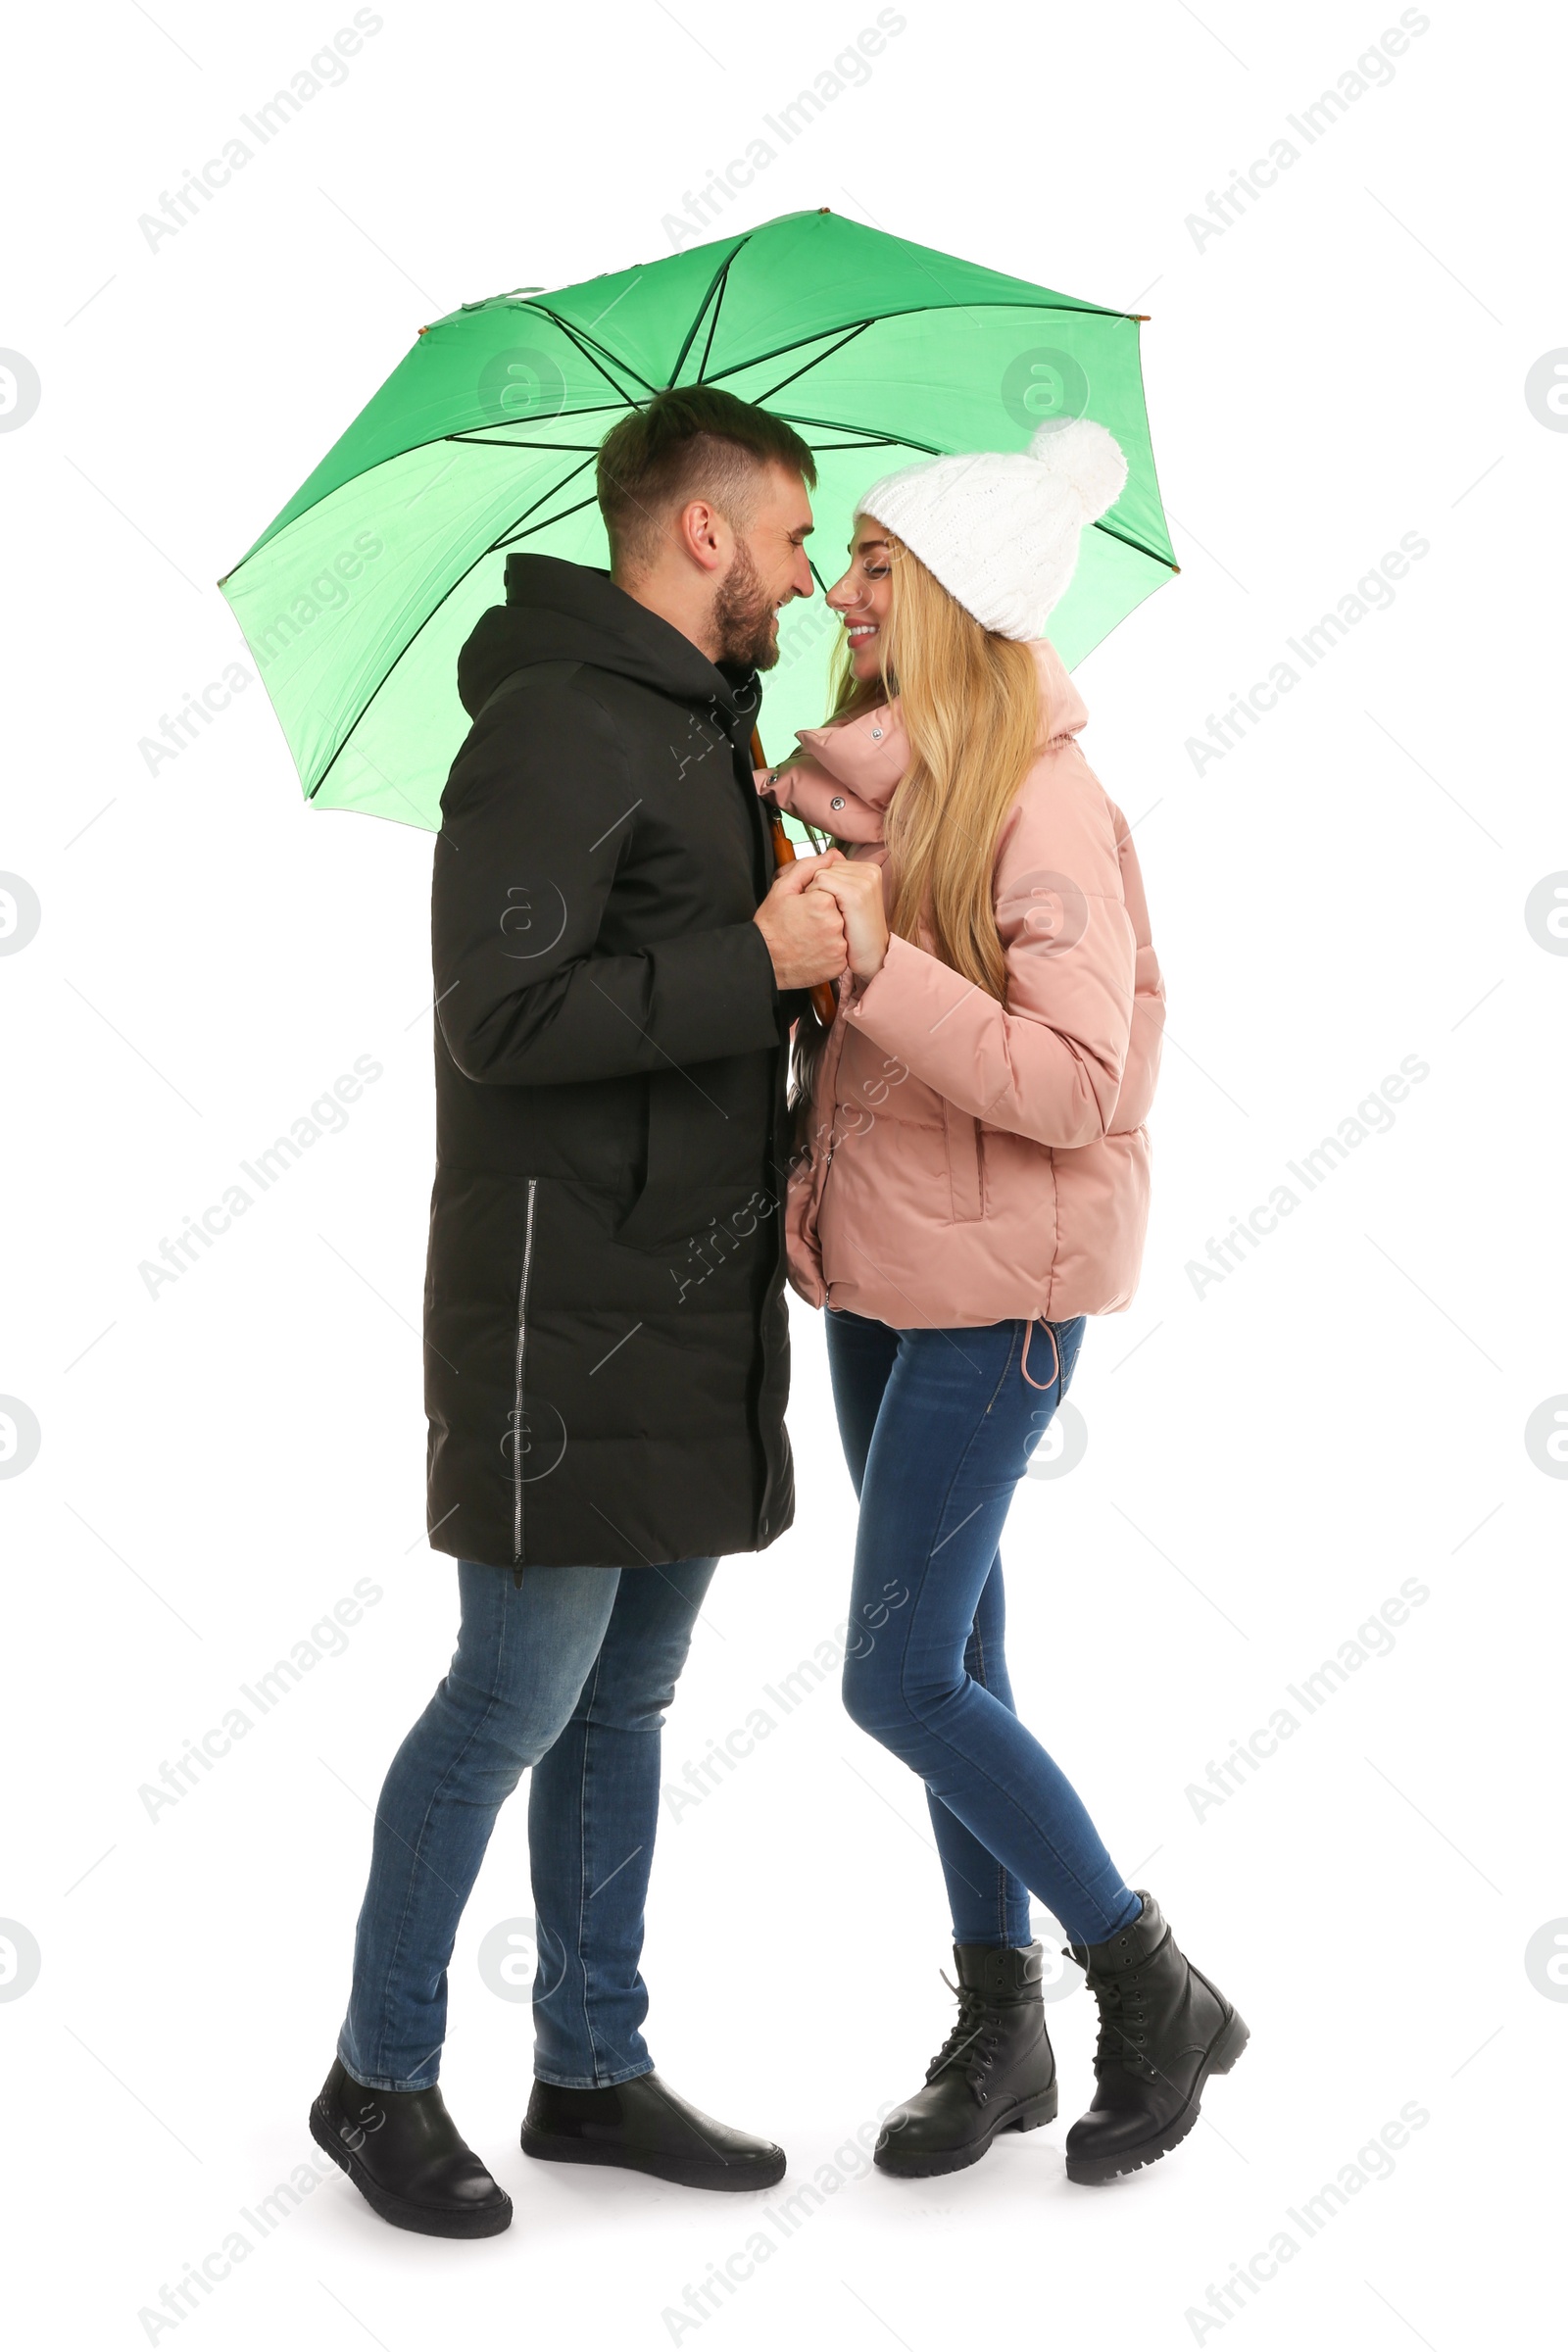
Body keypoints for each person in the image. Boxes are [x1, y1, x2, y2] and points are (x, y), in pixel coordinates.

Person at [311, 387, 849, 2236]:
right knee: (511, 1699)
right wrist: (747, 959)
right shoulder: (556, 724)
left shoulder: (704, 729)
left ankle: (590, 2068)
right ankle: (376, 2077)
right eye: (790, 536)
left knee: (627, 1701)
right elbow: (503, 1022)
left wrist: (796, 958)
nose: (805, 574)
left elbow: (668, 989)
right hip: (564, 1316)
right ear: (702, 532)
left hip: (687, 1303)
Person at [767, 417, 1248, 2187]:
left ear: (964, 594)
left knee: (894, 1676)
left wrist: (875, 963)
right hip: (880, 1276)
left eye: (885, 561)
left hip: (1000, 1299)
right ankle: (1003, 2024)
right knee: (960, 1655)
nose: (851, 585)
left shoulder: (1048, 805)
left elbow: (1071, 1081)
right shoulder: (899, 792)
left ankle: (1147, 1978)